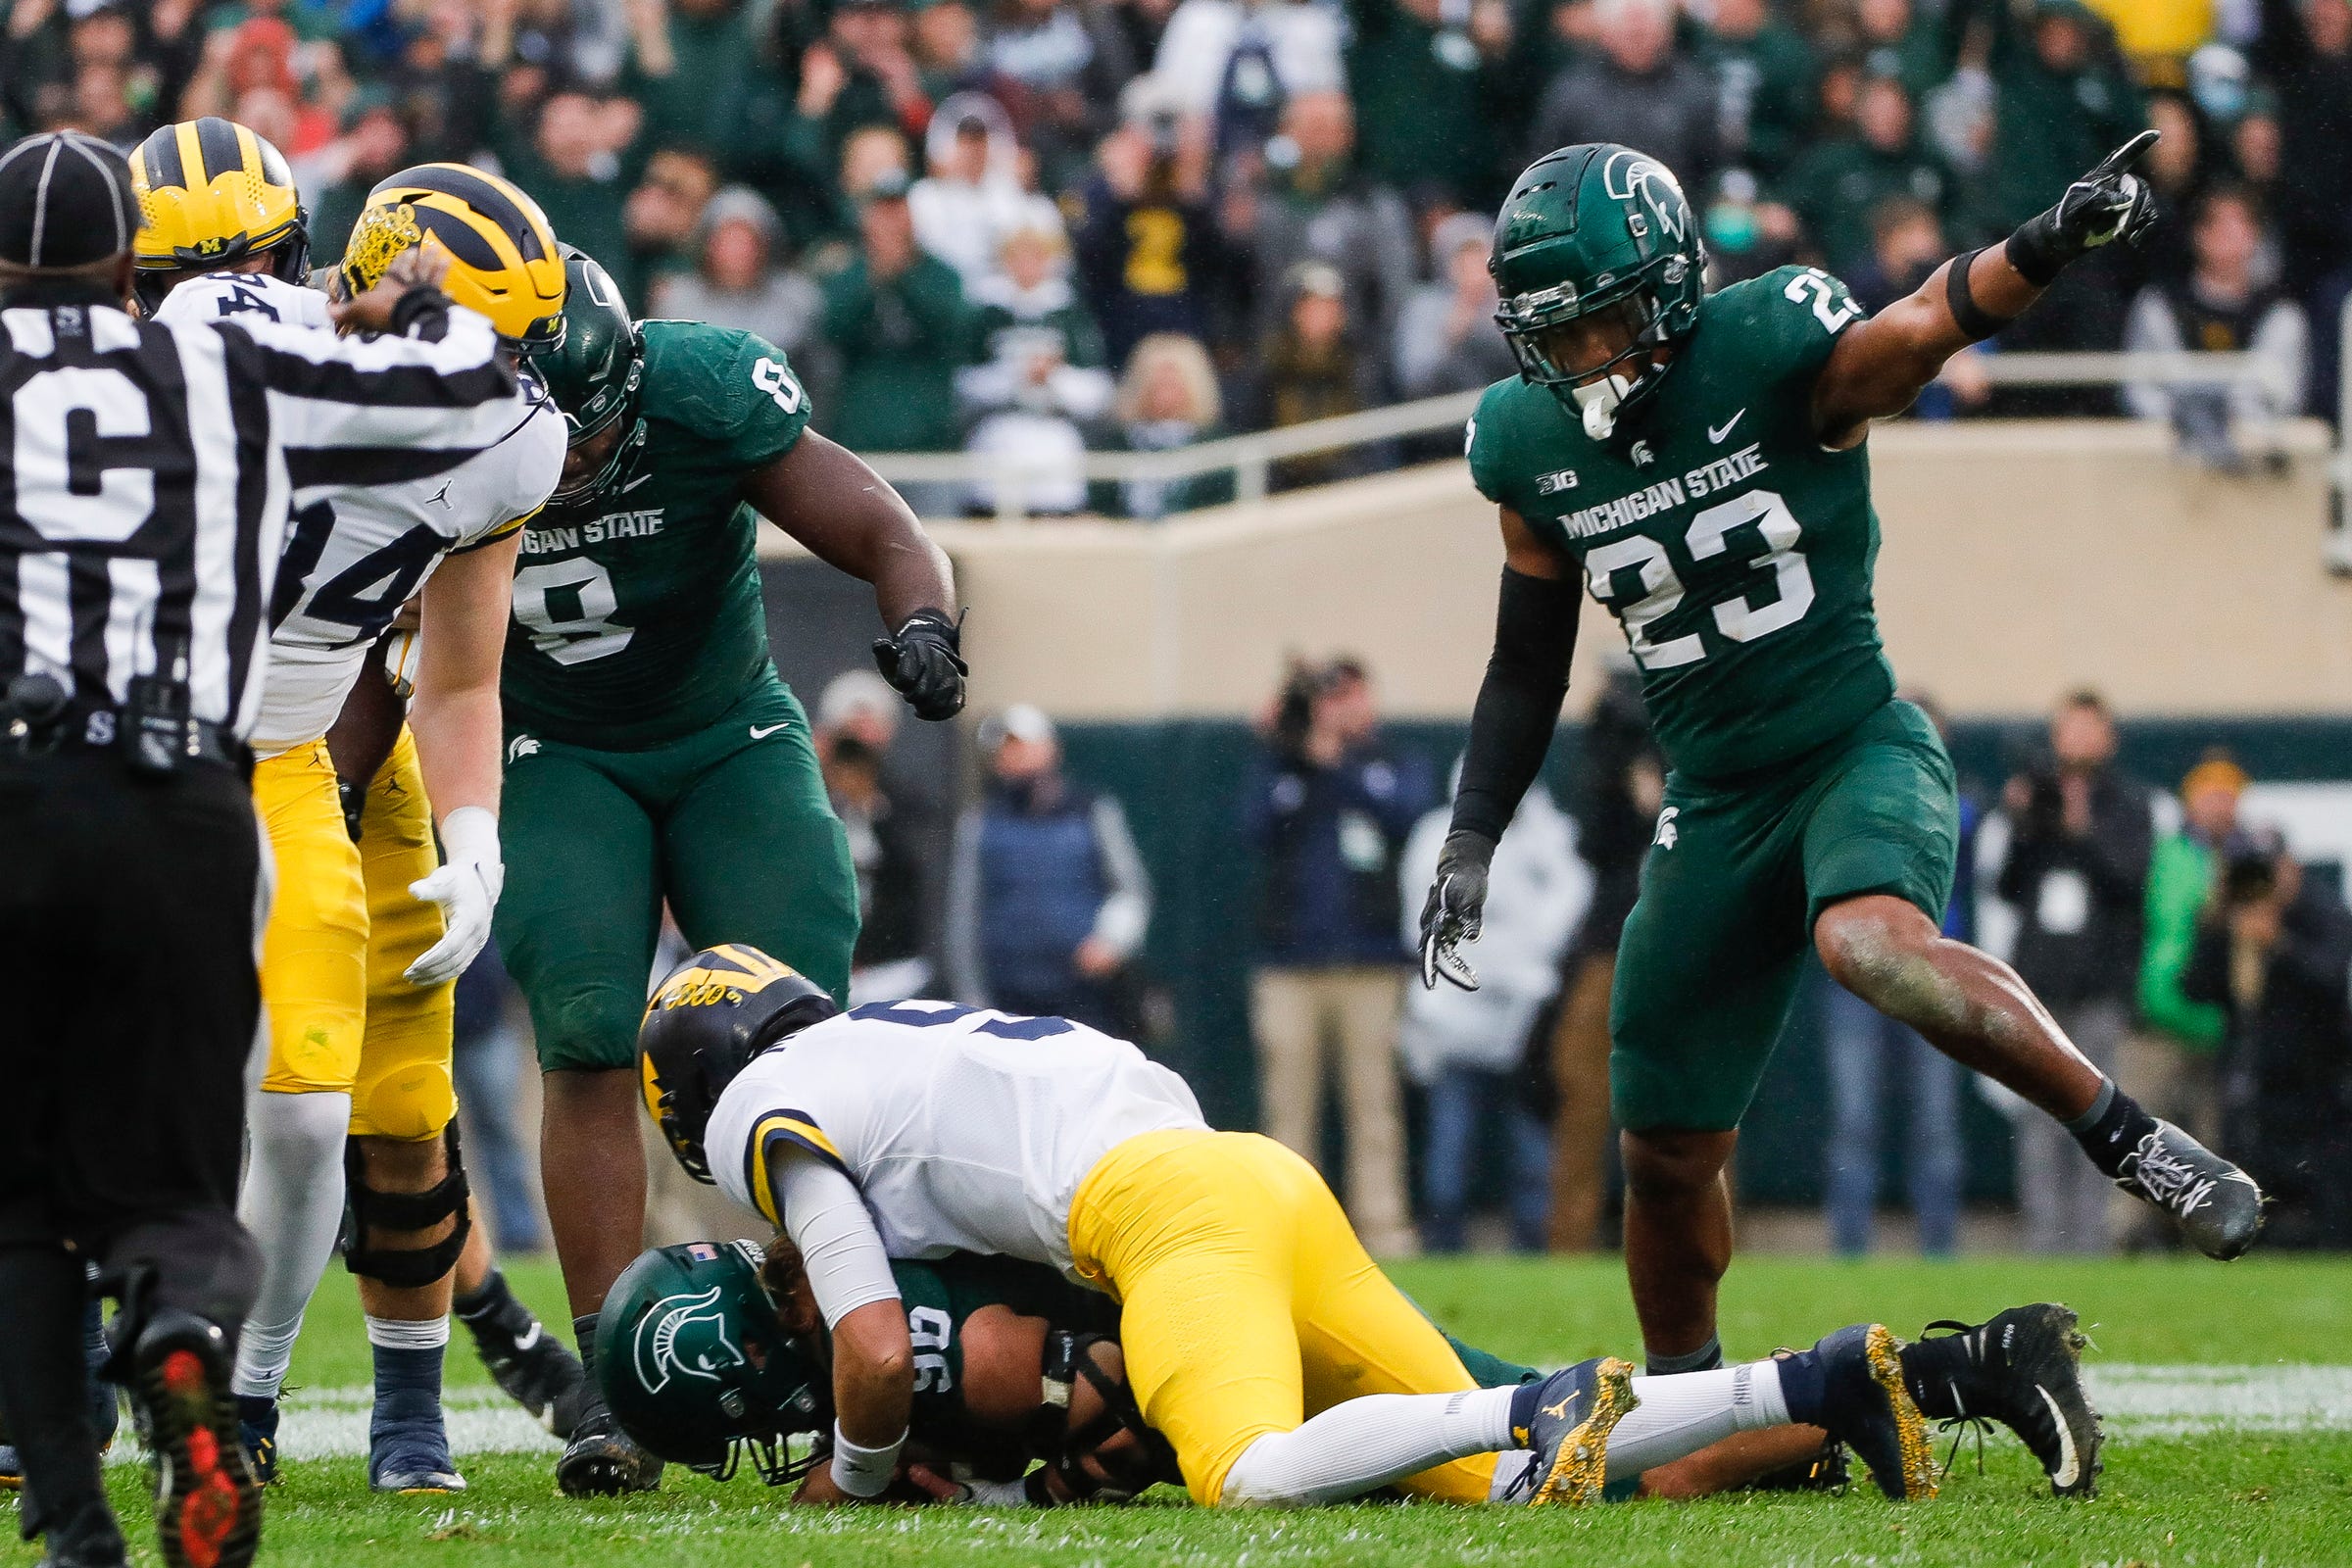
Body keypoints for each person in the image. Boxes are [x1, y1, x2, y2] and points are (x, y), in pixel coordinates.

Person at [1417, 138, 2263, 1452]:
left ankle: (2132, 1139)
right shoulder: (1524, 444)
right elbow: (1526, 666)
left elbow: (1925, 323)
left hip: (1852, 743)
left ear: (1674, 287)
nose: (1584, 357)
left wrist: (2044, 239)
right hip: (1712, 803)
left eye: (1605, 321)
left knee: (1868, 940)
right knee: (1663, 1148)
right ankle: (1695, 1405)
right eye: (1557, 334)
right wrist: (1472, 837)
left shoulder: (1765, 345)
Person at [627, 946, 2105, 1509]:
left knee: (1254, 1482)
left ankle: (1529, 1402)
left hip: (1166, 1216)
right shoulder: (880, 1047)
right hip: (1242, 1180)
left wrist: (860, 1478)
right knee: (1523, 1490)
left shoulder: (777, 1114)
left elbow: (875, 1351)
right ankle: (1863, 1379)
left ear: (700, 1085)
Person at [0, 126, 519, 1568]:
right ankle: (186, 1336)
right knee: (181, 1178)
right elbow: (471, 388)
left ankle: (68, 1520)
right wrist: (407, 299)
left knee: (31, 1191)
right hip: (188, 793)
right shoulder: (229, 363)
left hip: (28, 785)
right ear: (121, 261)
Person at [135, 128, 584, 1492]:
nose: (497, 381)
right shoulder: (215, 328)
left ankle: (248, 1399)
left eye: (516, 349)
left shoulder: (514, 443)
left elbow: (456, 674)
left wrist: (479, 836)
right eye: (472, 340)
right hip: (126, 745)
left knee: (318, 1116)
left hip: (287, 761)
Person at [497, 243, 966, 1497]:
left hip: (726, 734)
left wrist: (921, 615)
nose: (580, 458)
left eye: (597, 431)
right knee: (587, 1028)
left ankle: (837, 1337)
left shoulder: (697, 388)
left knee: (806, 1041)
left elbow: (879, 521)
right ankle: (606, 1377)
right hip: (558, 748)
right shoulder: (448, 426)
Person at [597, 1233, 2094, 1508]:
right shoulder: (860, 1259)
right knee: (1602, 1443)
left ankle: (1926, 1369)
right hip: (1227, 1264)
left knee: (1551, 1454)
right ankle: (1859, 1407)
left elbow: (1102, 1402)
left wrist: (1031, 1475)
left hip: (1225, 1331)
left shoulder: (911, 1341)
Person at [1243, 658, 1432, 1255]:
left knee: (1374, 1103)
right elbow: (1251, 827)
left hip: (1371, 964)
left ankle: (1383, 1226)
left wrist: (1338, 763)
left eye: (1351, 695)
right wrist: (1294, 751)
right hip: (1291, 965)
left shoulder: (1393, 764)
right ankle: (1292, 1228)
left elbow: (1409, 817)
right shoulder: (1280, 767)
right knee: (1289, 1104)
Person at [1398, 762, 1587, 1252]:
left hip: (1523, 1018)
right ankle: (1442, 1246)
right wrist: (1483, 961)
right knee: (1450, 1145)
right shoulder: (1432, 836)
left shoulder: (1548, 835)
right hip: (1454, 1018)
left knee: (1529, 1147)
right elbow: (1418, 920)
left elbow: (1570, 900)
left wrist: (1524, 960)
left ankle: (1532, 1245)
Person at [1993, 691, 2156, 1255]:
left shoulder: (2129, 805)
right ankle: (2044, 1240)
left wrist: (2083, 828)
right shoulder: (2037, 799)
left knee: (2098, 1114)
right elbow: (2007, 886)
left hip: (2099, 987)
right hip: (2041, 986)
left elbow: (2131, 883)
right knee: (2038, 1121)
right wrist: (2022, 820)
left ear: (2108, 737)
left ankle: (2090, 1242)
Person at [1817, 695, 1974, 1257]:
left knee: (1934, 1118)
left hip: (1930, 968)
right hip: (1860, 970)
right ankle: (1850, 1247)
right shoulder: (1856, 795)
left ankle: (1939, 1248)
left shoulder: (1957, 804)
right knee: (1854, 1116)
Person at [2182, 832, 2352, 1248]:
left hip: (2316, 1085)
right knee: (2251, 1203)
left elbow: (2332, 982)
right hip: (2253, 1086)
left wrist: (2279, 944)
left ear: (2288, 868)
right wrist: (2215, 926)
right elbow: (2195, 987)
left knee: (2329, 1207)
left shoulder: (2320, 912)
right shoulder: (2230, 920)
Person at [946, 705, 1152, 1034]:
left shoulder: (1091, 812)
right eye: (1005, 748)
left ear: (1049, 749)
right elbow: (964, 914)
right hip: (1006, 996)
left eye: (1022, 744)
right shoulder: (980, 823)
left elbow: (1130, 889)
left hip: (1082, 996)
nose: (1014, 756)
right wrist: (972, 997)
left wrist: (1111, 940)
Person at [2124, 183, 2307, 471]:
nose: (2231, 237)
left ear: (2256, 235)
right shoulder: (2161, 305)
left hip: (2251, 471)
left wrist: (2240, 429)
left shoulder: (2280, 314)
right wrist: (2188, 427)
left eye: (2241, 226)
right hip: (2173, 467)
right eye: (2220, 226)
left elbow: (2283, 398)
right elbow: (2141, 394)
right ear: (2199, 235)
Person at [2132, 753, 2245, 1154]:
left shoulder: (2243, 860)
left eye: (2228, 795)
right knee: (2144, 1150)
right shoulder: (2164, 853)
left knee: (2213, 1152)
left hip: (2218, 1026)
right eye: (2210, 794)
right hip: (2159, 1019)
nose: (2219, 804)